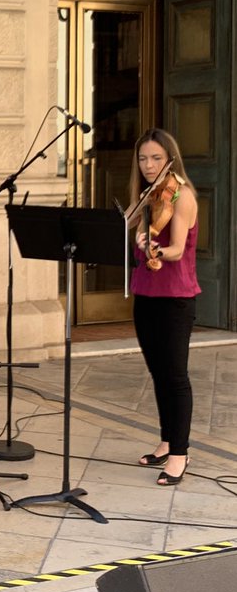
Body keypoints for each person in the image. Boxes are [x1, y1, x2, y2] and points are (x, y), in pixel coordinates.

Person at [129, 127, 200, 487]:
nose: (148, 164)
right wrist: (134, 235)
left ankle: (180, 453)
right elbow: (124, 226)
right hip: (146, 293)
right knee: (158, 373)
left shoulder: (181, 195)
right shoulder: (148, 196)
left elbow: (175, 249)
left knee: (175, 376)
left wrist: (154, 249)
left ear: (169, 157)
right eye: (143, 158)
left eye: (156, 158)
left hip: (175, 297)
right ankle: (166, 441)